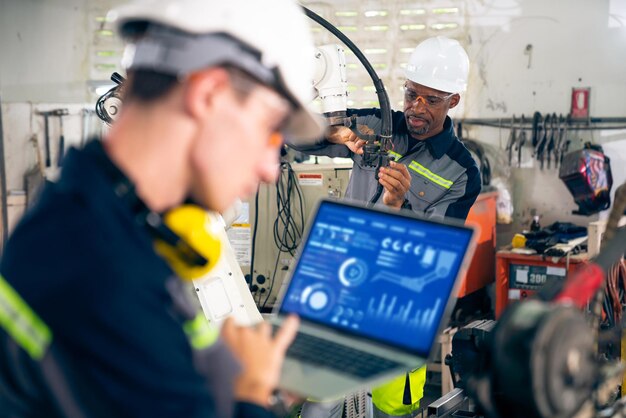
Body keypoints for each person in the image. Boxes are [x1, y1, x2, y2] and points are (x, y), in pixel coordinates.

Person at [0, 0, 324, 417]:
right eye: (269, 128)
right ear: (208, 94)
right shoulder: (105, 275)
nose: (270, 169)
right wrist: (255, 392)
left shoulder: (96, 217)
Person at [291, 37, 481, 417]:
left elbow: (433, 252)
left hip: (396, 303)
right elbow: (295, 135)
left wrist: (398, 205)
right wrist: (333, 132)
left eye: (431, 99)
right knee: (316, 400)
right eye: (411, 94)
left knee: (391, 407)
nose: (416, 107)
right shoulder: (378, 124)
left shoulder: (462, 172)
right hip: (339, 282)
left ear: (453, 101)